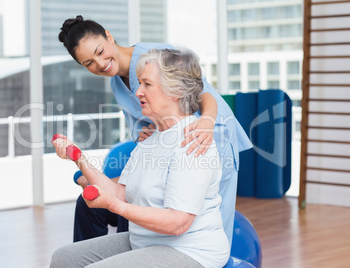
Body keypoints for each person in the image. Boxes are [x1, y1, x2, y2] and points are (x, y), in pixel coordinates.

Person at [58, 15, 252, 246]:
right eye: (89, 63)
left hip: (206, 137)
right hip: (171, 149)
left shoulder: (155, 57)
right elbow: (143, 129)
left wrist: (208, 122)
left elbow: (202, 94)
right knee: (140, 212)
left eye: (99, 51)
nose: (99, 64)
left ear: (109, 36)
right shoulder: (116, 83)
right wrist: (145, 134)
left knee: (212, 224)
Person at [50, 48, 230, 268]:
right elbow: (120, 193)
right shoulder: (151, 137)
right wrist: (78, 157)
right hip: (145, 241)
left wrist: (113, 206)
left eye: (147, 84)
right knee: (64, 259)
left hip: (191, 251)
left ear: (174, 91)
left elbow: (178, 223)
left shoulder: (192, 140)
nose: (137, 92)